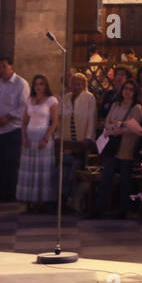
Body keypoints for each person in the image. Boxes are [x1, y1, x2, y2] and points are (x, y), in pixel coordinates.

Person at [95, 79, 142, 218]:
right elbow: (108, 122)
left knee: (124, 181)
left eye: (130, 89)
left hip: (126, 147)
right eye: (125, 88)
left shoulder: (136, 108)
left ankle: (123, 210)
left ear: (134, 93)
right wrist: (116, 127)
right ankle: (100, 208)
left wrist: (117, 129)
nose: (127, 92)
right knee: (106, 178)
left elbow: (133, 128)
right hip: (112, 146)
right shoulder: (116, 104)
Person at [0, 57, 30, 201]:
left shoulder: (21, 84)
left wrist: (8, 118)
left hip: (14, 129)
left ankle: (11, 194)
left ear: (11, 67)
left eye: (4, 67)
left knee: (11, 162)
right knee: (0, 160)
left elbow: (23, 107)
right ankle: (0, 192)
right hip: (0, 130)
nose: (1, 70)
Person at [17, 74, 59, 210]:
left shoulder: (51, 100)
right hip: (30, 136)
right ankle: (29, 200)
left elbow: (54, 122)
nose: (38, 87)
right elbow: (24, 122)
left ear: (45, 85)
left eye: (41, 84)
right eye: (36, 84)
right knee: (29, 169)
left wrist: (46, 138)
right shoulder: (29, 100)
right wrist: (24, 138)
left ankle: (42, 201)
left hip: (43, 136)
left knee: (42, 170)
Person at [59, 71, 97, 208]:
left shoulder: (89, 98)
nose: (76, 86)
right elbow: (60, 118)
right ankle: (64, 199)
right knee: (64, 172)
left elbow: (92, 118)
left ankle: (73, 199)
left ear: (84, 85)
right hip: (68, 142)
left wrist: (88, 138)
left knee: (75, 172)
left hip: (81, 143)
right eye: (74, 83)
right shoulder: (65, 98)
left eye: (79, 83)